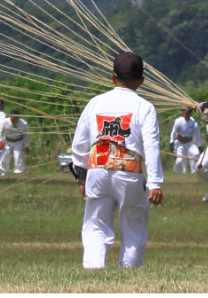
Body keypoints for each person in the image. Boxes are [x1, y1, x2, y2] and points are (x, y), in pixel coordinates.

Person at [70, 51, 163, 270]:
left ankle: (93, 269)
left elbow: (80, 144)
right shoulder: (144, 107)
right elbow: (151, 145)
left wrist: (81, 176)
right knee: (133, 224)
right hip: (129, 170)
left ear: (113, 78)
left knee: (96, 224)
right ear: (141, 81)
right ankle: (129, 271)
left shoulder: (95, 103)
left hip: (97, 169)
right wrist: (154, 182)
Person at [169, 106, 201, 174]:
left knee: (196, 153)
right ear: (183, 113)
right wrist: (171, 142)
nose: (187, 114)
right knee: (180, 160)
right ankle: (178, 173)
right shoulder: (178, 121)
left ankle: (194, 171)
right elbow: (173, 132)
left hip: (189, 143)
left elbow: (198, 135)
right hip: (179, 143)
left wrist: (199, 146)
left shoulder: (194, 123)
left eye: (189, 112)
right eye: (186, 113)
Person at [0, 109, 30, 176]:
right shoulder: (5, 121)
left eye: (14, 118)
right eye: (11, 117)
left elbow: (26, 136)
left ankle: (19, 171)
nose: (12, 119)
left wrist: (26, 146)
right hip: (7, 140)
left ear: (18, 117)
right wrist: (0, 141)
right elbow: (1, 132)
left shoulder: (24, 124)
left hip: (18, 141)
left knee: (18, 156)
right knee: (5, 156)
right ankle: (4, 171)